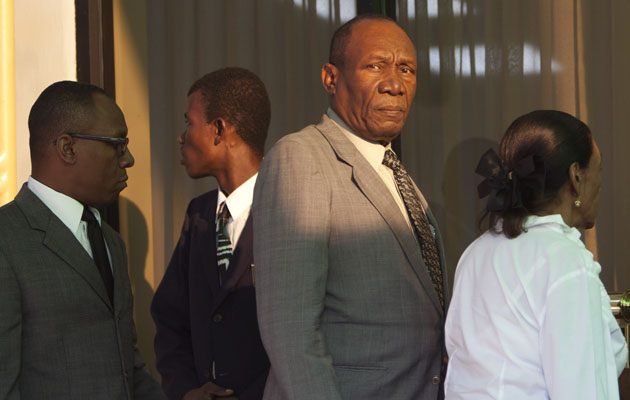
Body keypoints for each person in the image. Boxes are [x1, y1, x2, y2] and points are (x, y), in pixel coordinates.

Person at [253, 14, 448, 400]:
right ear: (330, 78)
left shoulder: (394, 171)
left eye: (406, 69)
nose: (394, 84)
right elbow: (291, 332)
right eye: (375, 66)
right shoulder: (301, 157)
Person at [444, 110, 628, 399]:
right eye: (599, 170)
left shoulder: (475, 253)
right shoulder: (565, 261)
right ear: (576, 176)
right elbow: (581, 389)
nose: (601, 185)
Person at [0, 81, 165, 399]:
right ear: (68, 148)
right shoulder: (7, 240)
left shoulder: (111, 241)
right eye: (117, 144)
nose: (128, 159)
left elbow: (126, 368)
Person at [151, 67, 271, 400]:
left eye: (188, 123)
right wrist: (186, 390)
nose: (181, 137)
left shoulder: (287, 208)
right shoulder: (199, 214)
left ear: (218, 129)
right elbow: (170, 318)